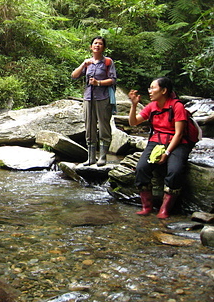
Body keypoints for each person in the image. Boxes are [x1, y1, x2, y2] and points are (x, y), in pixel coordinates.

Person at [128, 77, 192, 219]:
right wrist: (133, 105)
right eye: (149, 88)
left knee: (174, 171)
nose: (150, 91)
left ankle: (164, 209)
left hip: (178, 143)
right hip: (156, 141)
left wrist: (167, 152)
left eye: (153, 88)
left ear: (164, 90)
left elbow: (179, 133)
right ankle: (147, 207)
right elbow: (133, 122)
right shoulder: (152, 106)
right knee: (141, 168)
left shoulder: (177, 106)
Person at [71, 36, 117, 166]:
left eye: (100, 44)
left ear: (104, 48)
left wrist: (98, 83)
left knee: (104, 128)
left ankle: (102, 157)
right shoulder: (87, 63)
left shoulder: (108, 62)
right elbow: (74, 76)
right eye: (95, 43)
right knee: (89, 127)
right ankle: (91, 158)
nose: (97, 45)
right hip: (88, 98)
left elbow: (113, 79)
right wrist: (83, 65)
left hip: (103, 98)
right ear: (91, 47)